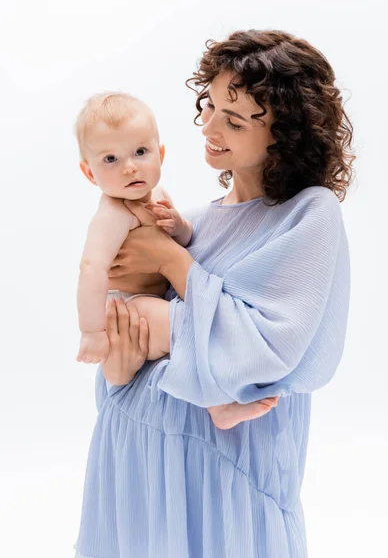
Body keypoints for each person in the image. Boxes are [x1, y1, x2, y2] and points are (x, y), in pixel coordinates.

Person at [74, 29, 354, 558]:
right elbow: (128, 355)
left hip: (224, 479)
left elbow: (267, 350)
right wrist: (116, 371)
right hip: (139, 460)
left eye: (235, 118)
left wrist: (171, 262)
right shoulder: (193, 223)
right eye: (210, 106)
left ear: (285, 135)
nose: (208, 126)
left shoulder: (309, 215)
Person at [75, 91, 278, 428]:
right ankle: (219, 404)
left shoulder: (156, 195)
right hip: (126, 308)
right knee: (183, 326)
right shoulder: (113, 213)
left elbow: (184, 242)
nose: (129, 167)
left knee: (189, 328)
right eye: (110, 159)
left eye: (140, 152)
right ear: (90, 173)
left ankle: (218, 391)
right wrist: (92, 332)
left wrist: (179, 226)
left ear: (161, 154)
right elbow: (91, 268)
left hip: (151, 301)